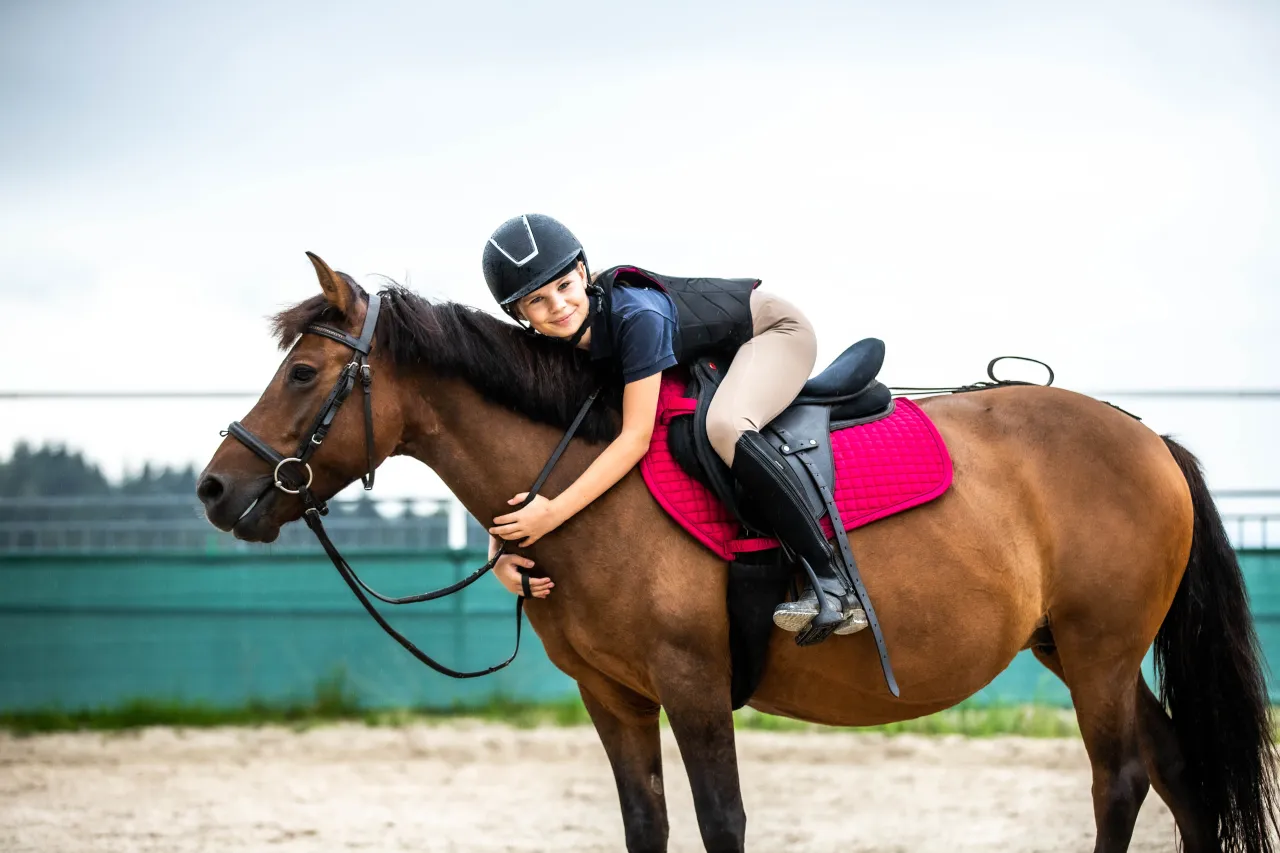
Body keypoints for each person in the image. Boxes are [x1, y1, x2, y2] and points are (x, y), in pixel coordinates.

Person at [481, 213, 866, 643]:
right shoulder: (554, 344)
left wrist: (552, 514)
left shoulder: (636, 317)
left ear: (582, 272)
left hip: (775, 331)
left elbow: (635, 439)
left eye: (565, 286)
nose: (558, 306)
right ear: (519, 314)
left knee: (726, 425)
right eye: (537, 300)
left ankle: (835, 584)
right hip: (721, 350)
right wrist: (497, 549)